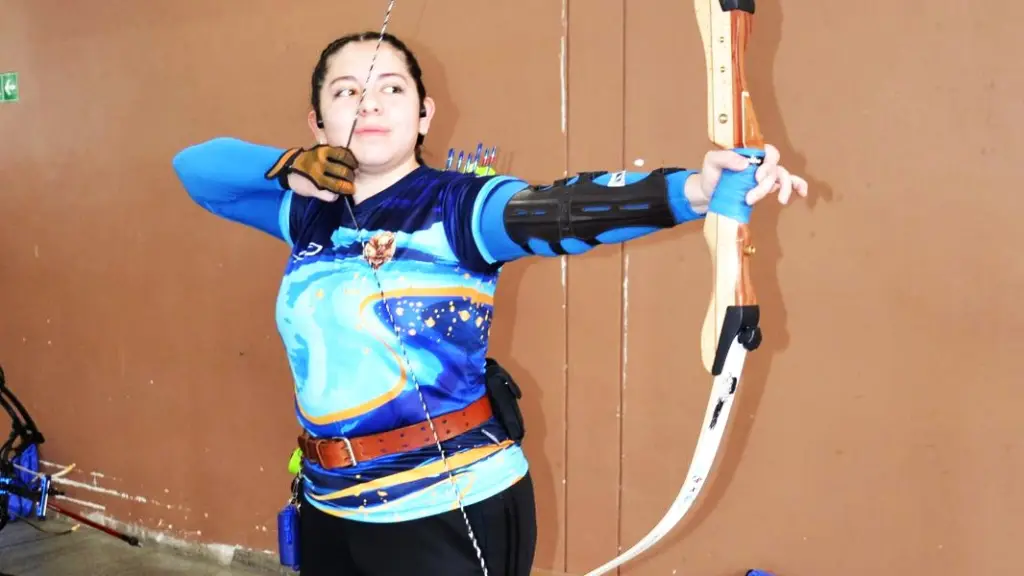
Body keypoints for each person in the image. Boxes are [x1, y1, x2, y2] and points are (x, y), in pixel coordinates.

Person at [171, 30, 807, 576]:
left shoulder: (462, 208)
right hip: (327, 502)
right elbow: (195, 167)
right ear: (317, 124)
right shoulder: (305, 215)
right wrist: (288, 167)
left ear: (424, 113)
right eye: (345, 92)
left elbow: (556, 210)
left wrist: (692, 190)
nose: (368, 103)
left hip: (447, 505)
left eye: (392, 88)